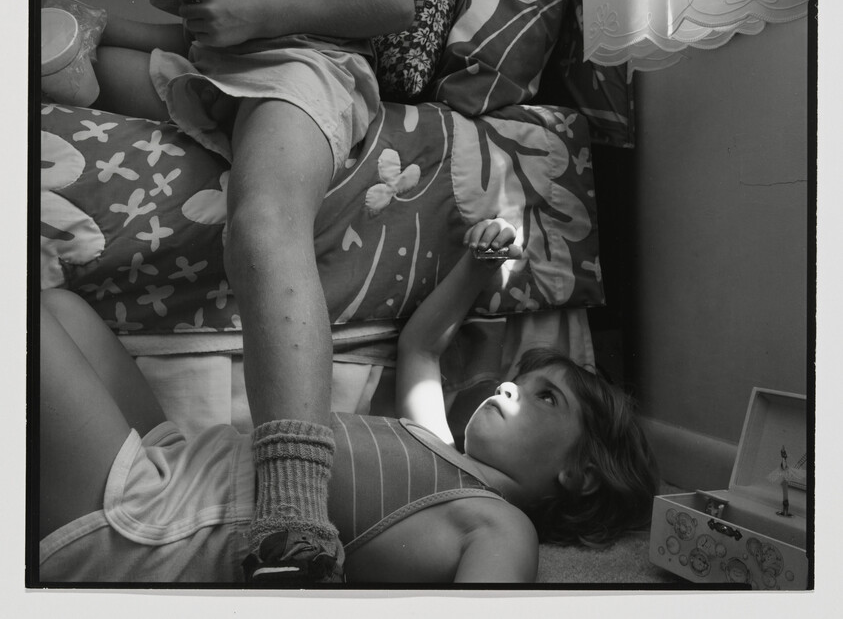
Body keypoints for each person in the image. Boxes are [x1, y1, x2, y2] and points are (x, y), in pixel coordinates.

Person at [37, 219, 659, 585]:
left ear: (579, 473)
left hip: (151, 525)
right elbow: (422, 345)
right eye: (519, 381)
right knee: (64, 309)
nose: (506, 387)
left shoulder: (502, 525)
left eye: (543, 397)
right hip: (180, 460)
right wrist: (478, 264)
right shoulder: (436, 442)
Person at [52, 0, 415, 584]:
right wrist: (94, 24)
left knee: (263, 220)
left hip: (307, 61)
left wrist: (256, 14)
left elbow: (396, 1)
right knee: (66, 68)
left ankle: (295, 503)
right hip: (208, 67)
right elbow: (196, 29)